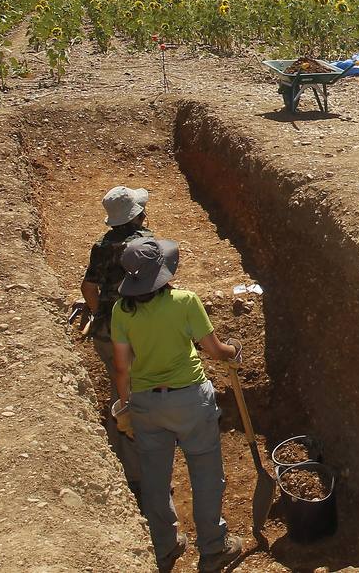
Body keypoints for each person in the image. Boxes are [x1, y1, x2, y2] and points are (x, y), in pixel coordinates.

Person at [110, 236, 244, 572]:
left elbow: (121, 368)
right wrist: (233, 350)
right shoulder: (185, 301)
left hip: (145, 405)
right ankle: (214, 547)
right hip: (190, 400)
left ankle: (164, 545)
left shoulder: (121, 311)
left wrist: (125, 408)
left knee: (155, 478)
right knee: (206, 472)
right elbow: (214, 351)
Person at [81, 185, 153, 494]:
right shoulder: (145, 244)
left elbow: (88, 288)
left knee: (118, 390)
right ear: (137, 215)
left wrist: (100, 316)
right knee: (137, 397)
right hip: (136, 333)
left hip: (107, 334)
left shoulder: (101, 246)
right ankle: (139, 476)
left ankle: (116, 458)